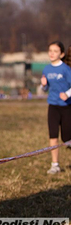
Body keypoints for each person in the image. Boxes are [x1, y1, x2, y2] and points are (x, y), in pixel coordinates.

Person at [41, 41, 71, 174]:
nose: (52, 53)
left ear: (62, 54)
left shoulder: (66, 69)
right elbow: (45, 88)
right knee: (53, 136)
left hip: (66, 107)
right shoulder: (46, 69)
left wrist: (67, 94)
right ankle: (55, 165)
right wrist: (43, 85)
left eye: (55, 51)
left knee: (67, 138)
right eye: (50, 50)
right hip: (53, 106)